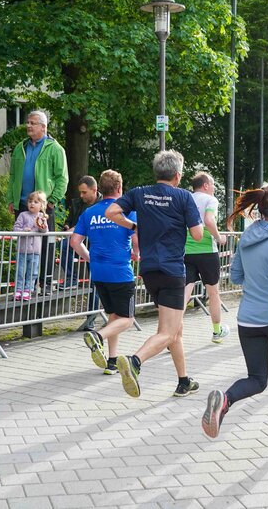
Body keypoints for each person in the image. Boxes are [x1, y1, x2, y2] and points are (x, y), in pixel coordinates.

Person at [201, 184, 268, 450]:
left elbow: (236, 276)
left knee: (257, 379)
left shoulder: (248, 235)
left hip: (248, 319)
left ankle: (225, 400)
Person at [105, 150, 203, 398]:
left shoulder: (139, 193)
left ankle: (183, 381)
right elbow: (198, 234)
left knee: (175, 329)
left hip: (149, 271)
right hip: (172, 270)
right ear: (178, 175)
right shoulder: (183, 197)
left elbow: (111, 213)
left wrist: (134, 225)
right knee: (167, 332)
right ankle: (135, 361)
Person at [72, 170, 139, 376]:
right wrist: (137, 254)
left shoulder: (89, 213)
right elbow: (137, 244)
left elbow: (74, 242)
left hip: (98, 272)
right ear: (120, 188)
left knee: (114, 316)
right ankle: (98, 337)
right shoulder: (127, 212)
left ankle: (111, 361)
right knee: (127, 319)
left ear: (100, 189)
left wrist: (90, 258)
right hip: (120, 271)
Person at [7, 111, 68, 295]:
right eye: (28, 122)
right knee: (24, 247)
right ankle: (25, 286)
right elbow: (12, 176)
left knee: (46, 246)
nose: (29, 126)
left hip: (43, 207)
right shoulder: (20, 147)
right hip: (22, 205)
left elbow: (62, 178)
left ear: (43, 127)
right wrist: (11, 199)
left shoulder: (55, 148)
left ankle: (46, 283)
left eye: (33, 123)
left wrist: (51, 202)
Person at [183, 172, 229, 343]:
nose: (215, 188)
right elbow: (209, 221)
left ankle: (172, 333)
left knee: (185, 293)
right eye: (213, 184)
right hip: (207, 251)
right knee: (213, 292)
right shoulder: (210, 200)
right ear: (205, 185)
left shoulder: (186, 198)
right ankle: (217, 332)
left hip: (186, 251)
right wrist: (219, 237)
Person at [59, 176, 98, 290]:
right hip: (78, 240)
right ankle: (71, 278)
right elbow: (69, 220)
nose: (81, 195)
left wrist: (75, 229)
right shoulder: (76, 203)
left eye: (84, 192)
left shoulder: (102, 205)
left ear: (94, 190)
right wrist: (67, 226)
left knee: (94, 283)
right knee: (64, 245)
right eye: (80, 192)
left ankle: (93, 305)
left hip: (94, 242)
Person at [12, 191, 49, 301]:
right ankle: (18, 289)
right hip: (22, 250)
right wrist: (23, 230)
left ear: (41, 205)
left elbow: (45, 231)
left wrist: (42, 224)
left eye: (36, 202)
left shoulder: (42, 216)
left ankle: (28, 290)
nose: (32, 204)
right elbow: (15, 228)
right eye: (30, 201)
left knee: (32, 272)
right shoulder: (23, 215)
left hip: (35, 251)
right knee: (20, 271)